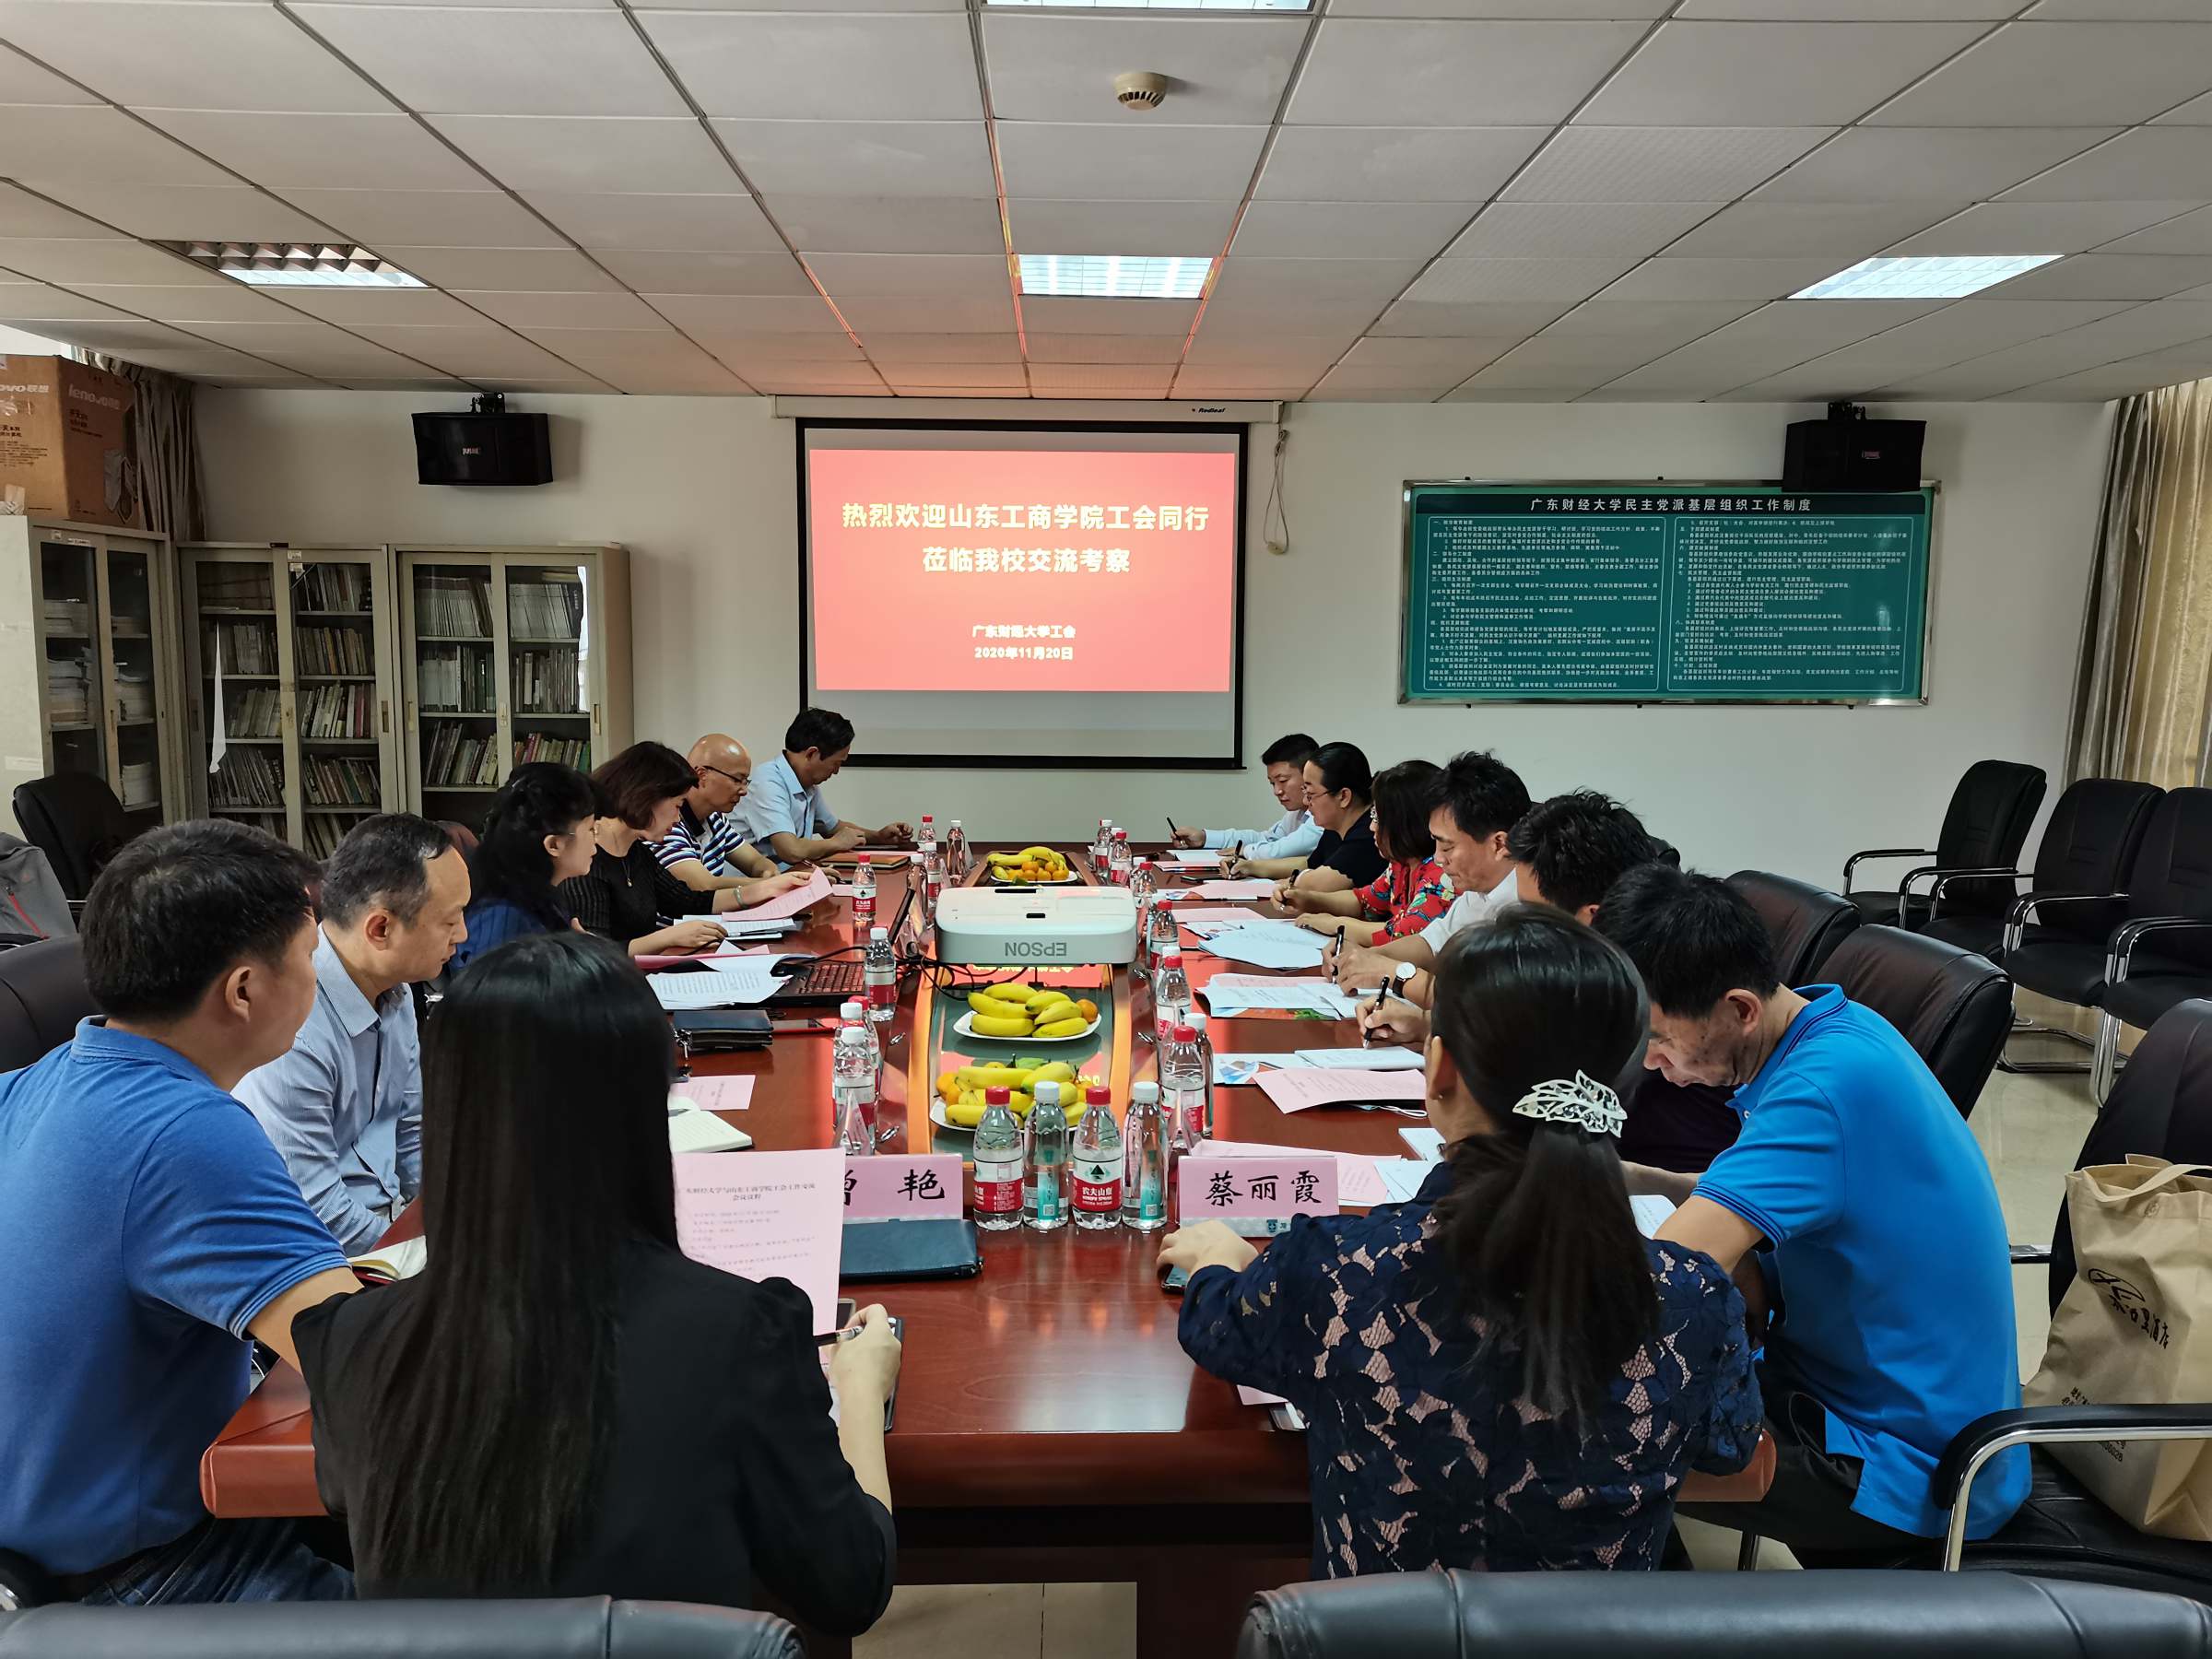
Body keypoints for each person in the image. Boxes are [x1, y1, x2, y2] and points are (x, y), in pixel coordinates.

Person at [293, 931, 901, 1627]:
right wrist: (860, 1389)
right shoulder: (738, 1333)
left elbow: (347, 1497)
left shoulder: (352, 1339)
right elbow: (851, 1583)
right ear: (644, 1107)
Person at [1161, 909, 1759, 1578]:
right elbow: (1730, 1444)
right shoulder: (1695, 1296)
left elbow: (1220, 1331)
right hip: (1597, 1629)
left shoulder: (1340, 1270)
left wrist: (1218, 1264)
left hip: (1380, 1629)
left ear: (1439, 1066)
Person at [1597, 864, 2029, 1557]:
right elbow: (1736, 1194)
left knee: (1567, 1443)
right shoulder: (1835, 1031)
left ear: (1740, 1009)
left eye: (1660, 1039)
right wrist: (1625, 1177)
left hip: (1905, 1461)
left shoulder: (1824, 1091)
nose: (1650, 1063)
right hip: (1836, 1387)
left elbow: (1662, 1278)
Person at [0, 821, 359, 1605]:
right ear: (243, 989)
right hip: (153, 1576)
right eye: (310, 958)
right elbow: (371, 1363)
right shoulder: (187, 1132)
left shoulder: (34, 1080)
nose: (319, 978)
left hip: (38, 1558)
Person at [235, 815, 470, 1256]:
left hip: (391, 1233)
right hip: (330, 1257)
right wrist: (429, 1254)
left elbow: (411, 1134)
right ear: (381, 928)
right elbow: (317, 1210)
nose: (463, 934)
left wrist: (445, 1221)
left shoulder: (396, 990)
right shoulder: (293, 1025)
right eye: (450, 920)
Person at [1331, 749, 1532, 992]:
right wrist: (1365, 958)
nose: (1437, 858)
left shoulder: (1528, 906)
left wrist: (1394, 972)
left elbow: (1482, 1001)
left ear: (1499, 844)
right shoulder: (1479, 888)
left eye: (1447, 847)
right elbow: (1431, 943)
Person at [560, 742, 766, 959]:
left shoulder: (637, 851)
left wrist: (766, 889)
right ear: (648, 798)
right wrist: (668, 937)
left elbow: (687, 902)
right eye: (678, 805)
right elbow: (593, 954)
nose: (678, 818)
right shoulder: (586, 861)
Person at [1279, 759, 1450, 947]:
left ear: (1408, 823)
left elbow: (1403, 934)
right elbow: (1364, 900)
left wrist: (1336, 924)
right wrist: (1309, 900)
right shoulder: (1401, 863)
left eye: (1378, 818)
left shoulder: (1441, 872)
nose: (1372, 827)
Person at [447, 762, 597, 975]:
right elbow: (495, 993)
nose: (595, 840)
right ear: (554, 844)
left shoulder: (539, 894)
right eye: (591, 829)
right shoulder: (503, 917)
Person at [738, 708, 912, 869]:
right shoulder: (768, 783)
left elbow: (833, 828)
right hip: (750, 885)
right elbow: (791, 851)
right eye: (836, 763)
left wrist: (878, 836)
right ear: (812, 754)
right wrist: (836, 843)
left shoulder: (807, 784)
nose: (836, 771)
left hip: (788, 877)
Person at [658, 734, 815, 904]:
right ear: (701, 775)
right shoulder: (668, 825)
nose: (744, 791)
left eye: (745, 781)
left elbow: (756, 862)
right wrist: (778, 883)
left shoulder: (715, 818)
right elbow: (705, 886)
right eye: (737, 780)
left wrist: (769, 873)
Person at [1232, 741, 1385, 888]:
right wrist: (1250, 866)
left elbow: (1322, 882)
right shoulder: (1335, 827)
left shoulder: (1369, 834)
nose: (1305, 801)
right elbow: (1310, 864)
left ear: (1343, 796)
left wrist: (1287, 884)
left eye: (1311, 794)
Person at [1169, 733, 1322, 862]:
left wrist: (1245, 851)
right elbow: (1267, 839)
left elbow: (1281, 850)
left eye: (1283, 781)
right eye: (1272, 783)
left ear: (1309, 774)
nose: (1277, 791)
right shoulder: (1297, 813)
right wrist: (1204, 838)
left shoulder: (1324, 814)